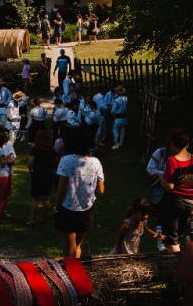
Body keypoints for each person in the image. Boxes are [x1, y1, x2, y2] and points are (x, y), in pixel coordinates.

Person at [55, 129, 105, 258]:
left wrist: (56, 206)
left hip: (68, 207)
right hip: (87, 208)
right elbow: (101, 190)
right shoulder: (96, 162)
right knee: (78, 245)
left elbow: (61, 188)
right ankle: (75, 271)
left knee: (68, 244)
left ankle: (69, 271)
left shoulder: (66, 160)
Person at [159, 127, 193, 253]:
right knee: (180, 236)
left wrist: (161, 178)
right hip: (190, 204)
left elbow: (170, 186)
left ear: (173, 144)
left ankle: (177, 267)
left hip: (175, 203)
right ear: (187, 144)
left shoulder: (172, 161)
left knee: (172, 239)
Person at [146, 137, 172, 252]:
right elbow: (150, 169)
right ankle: (160, 241)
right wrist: (163, 174)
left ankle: (172, 240)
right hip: (160, 190)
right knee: (161, 217)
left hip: (175, 191)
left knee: (172, 217)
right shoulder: (160, 153)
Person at [27, 129, 55, 225]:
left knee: (35, 198)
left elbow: (30, 163)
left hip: (37, 174)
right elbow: (55, 162)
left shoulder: (35, 149)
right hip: (48, 174)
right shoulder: (52, 150)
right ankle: (44, 217)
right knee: (46, 198)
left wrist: (31, 170)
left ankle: (32, 220)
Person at [111, 86, 128, 150]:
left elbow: (113, 111)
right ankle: (121, 143)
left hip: (118, 117)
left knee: (115, 131)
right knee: (122, 131)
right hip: (124, 117)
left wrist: (113, 114)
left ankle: (116, 144)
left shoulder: (116, 100)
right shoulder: (125, 98)